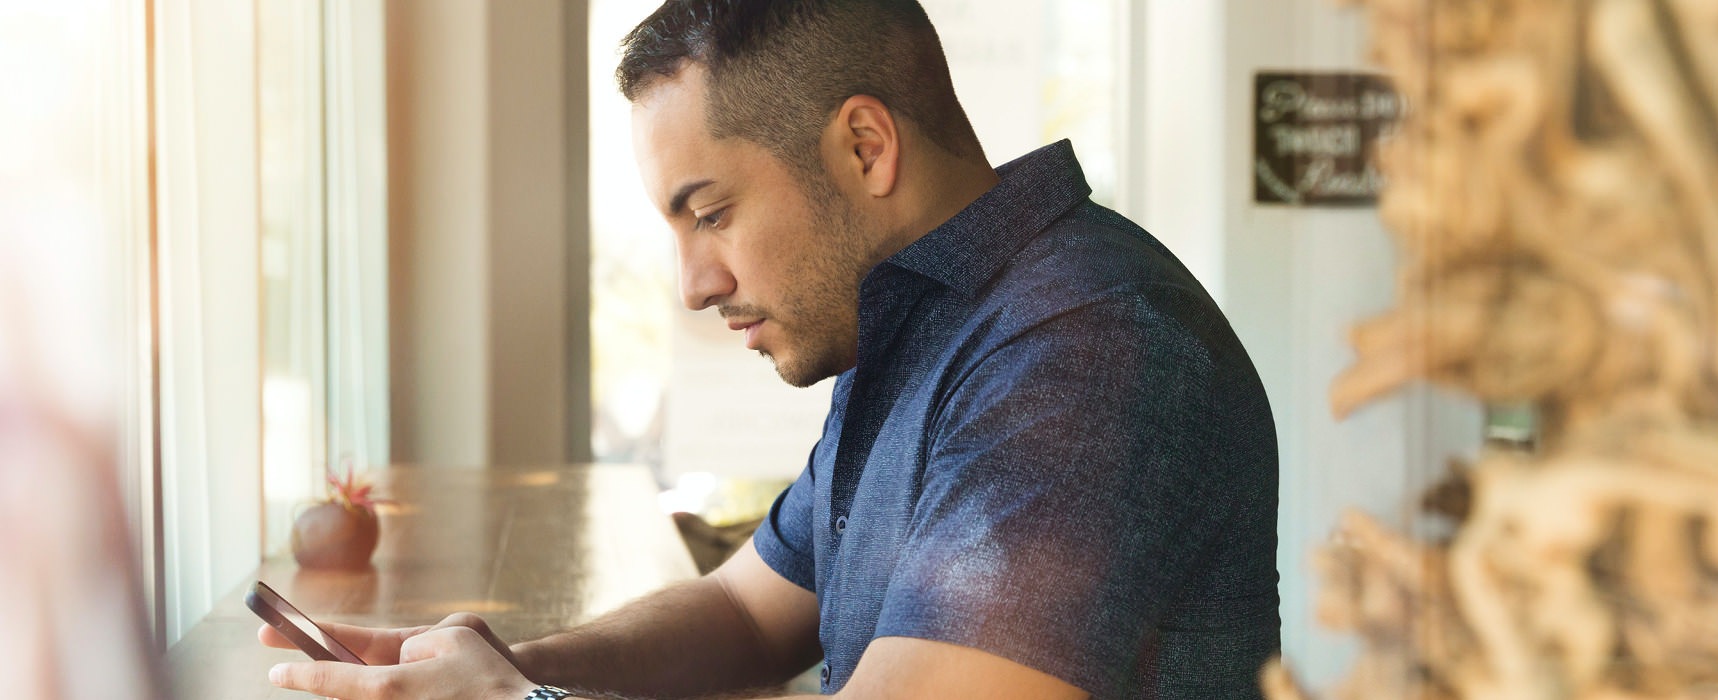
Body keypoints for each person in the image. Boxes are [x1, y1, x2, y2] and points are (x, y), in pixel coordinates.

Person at [262, 1, 1279, 698]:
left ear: (865, 147)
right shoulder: (918, 318)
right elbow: (745, 611)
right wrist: (494, 660)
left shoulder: (1084, 351)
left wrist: (522, 698)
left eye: (711, 213)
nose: (693, 284)